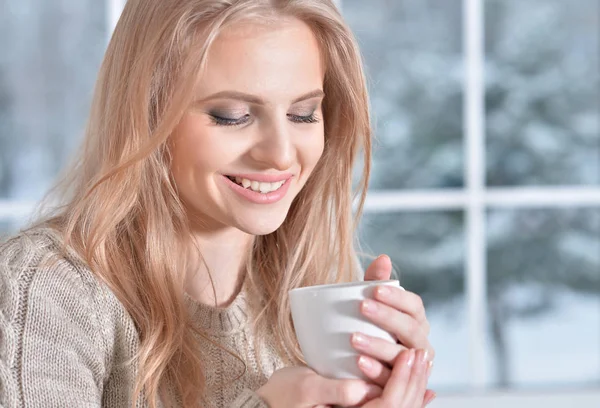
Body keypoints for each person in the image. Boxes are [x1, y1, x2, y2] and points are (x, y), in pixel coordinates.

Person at [0, 0, 436, 407]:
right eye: (233, 116)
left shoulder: (317, 282)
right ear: (147, 113)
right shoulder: (42, 288)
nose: (282, 154)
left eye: (303, 114)